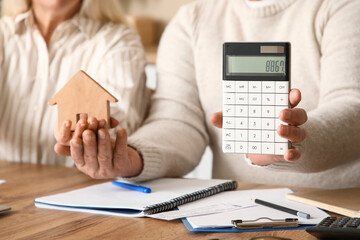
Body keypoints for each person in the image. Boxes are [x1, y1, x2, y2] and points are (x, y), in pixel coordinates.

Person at [55, 0, 360, 188]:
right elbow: (177, 121)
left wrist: (288, 139)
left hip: (336, 211)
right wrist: (130, 158)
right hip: (236, 211)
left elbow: (352, 110)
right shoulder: (192, 20)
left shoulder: (343, 7)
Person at [0, 0, 148, 165]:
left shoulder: (118, 41)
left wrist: (91, 131)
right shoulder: (3, 35)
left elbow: (117, 119)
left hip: (84, 183)